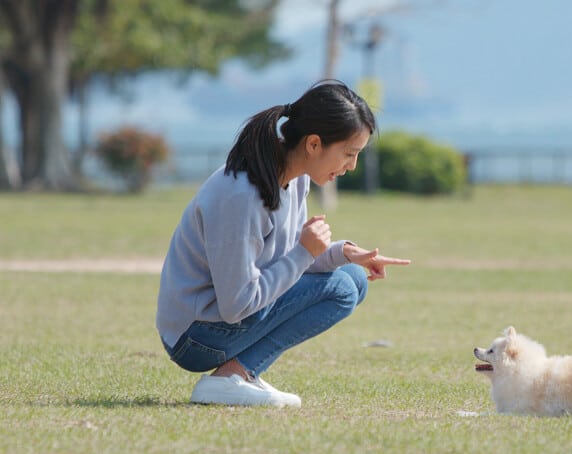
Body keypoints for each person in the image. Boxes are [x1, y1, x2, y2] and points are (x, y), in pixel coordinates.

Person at [156, 80, 410, 407]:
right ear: (314, 144)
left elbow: (283, 264)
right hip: (195, 337)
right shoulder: (242, 197)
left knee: (354, 279)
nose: (352, 166)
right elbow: (238, 303)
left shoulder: (295, 177)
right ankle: (229, 379)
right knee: (342, 289)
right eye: (349, 153)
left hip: (221, 321)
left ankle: (236, 374)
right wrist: (306, 250)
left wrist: (342, 254)